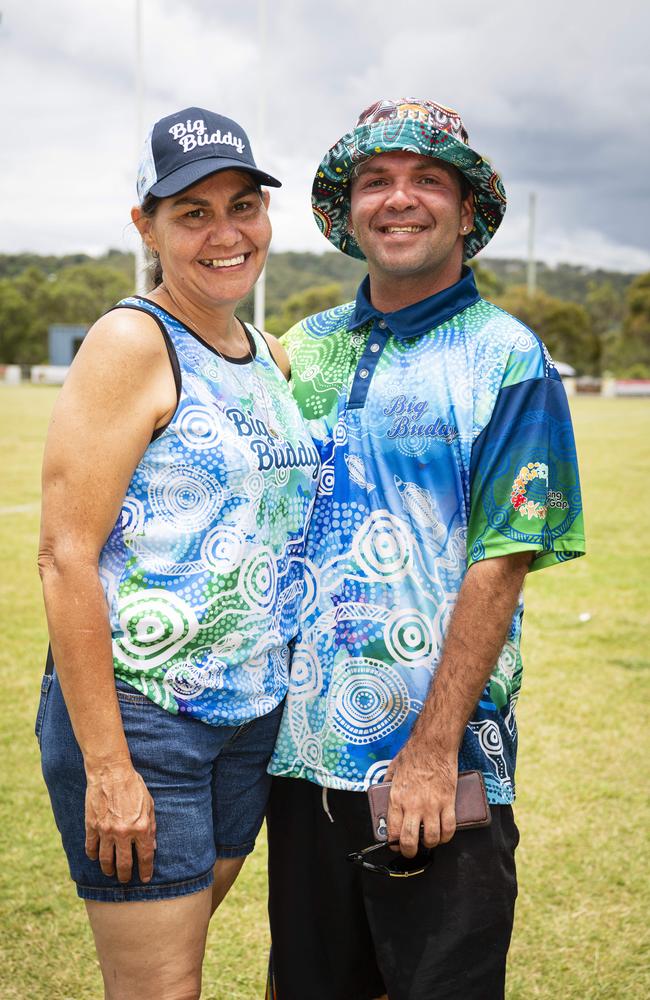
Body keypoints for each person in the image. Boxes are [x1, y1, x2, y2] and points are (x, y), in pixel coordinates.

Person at [266, 98, 586, 1000]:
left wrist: (432, 751)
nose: (398, 199)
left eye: (426, 180)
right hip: (298, 764)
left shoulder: (507, 358)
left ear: (466, 210)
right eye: (376, 180)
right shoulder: (303, 348)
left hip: (440, 765)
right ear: (350, 207)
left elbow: (502, 561)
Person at [36, 106, 319, 1000]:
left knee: (177, 967)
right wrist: (111, 769)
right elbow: (64, 557)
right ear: (146, 226)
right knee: (160, 987)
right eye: (192, 213)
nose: (226, 233)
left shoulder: (264, 355)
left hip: (248, 721)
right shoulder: (133, 340)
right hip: (146, 717)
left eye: (243, 205)